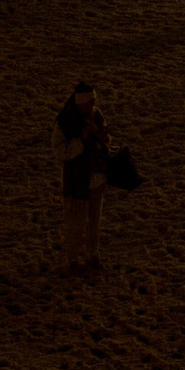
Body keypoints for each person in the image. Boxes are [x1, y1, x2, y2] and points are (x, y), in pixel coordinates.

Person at [54, 83, 110, 273]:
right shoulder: (65, 121)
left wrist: (102, 136)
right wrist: (81, 141)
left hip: (96, 178)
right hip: (77, 179)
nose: (91, 106)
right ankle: (72, 258)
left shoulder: (96, 114)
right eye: (89, 103)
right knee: (76, 223)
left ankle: (92, 254)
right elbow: (60, 151)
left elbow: (106, 139)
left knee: (94, 222)